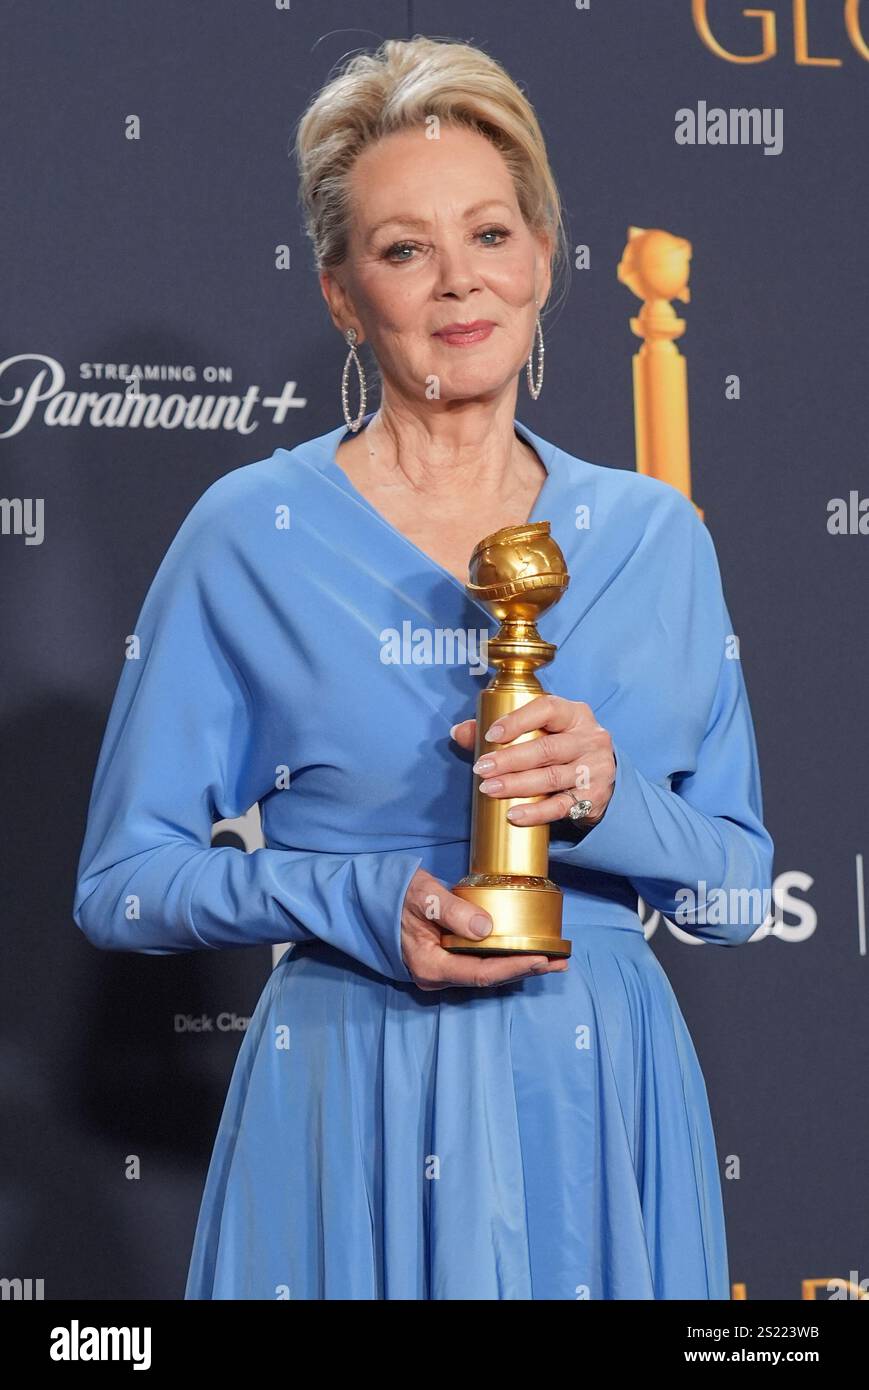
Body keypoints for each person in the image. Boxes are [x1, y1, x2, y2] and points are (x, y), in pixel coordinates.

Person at [72, 35, 774, 1300]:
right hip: (349, 1084)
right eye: (404, 249)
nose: (460, 282)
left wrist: (610, 801)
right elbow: (122, 885)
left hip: (596, 1100)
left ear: (544, 258)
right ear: (342, 294)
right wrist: (353, 900)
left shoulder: (654, 535)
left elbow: (734, 889)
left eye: (490, 233)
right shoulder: (248, 532)